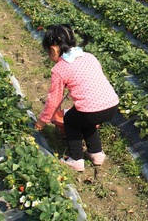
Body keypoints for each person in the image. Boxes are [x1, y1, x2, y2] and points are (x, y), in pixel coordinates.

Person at [35, 24, 119, 171]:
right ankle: (96, 153)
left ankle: (76, 159)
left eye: (48, 52)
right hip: (111, 105)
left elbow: (54, 101)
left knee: (71, 120)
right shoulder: (89, 56)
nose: (49, 56)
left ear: (54, 49)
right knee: (85, 117)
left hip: (91, 109)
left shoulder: (59, 69)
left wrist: (43, 120)